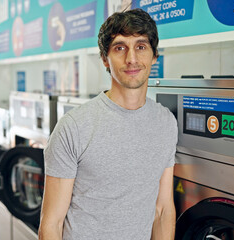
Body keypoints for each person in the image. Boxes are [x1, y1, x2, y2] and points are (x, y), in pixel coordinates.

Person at [39, 8, 178, 240]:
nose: (131, 58)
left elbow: (162, 209)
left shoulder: (166, 123)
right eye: (120, 48)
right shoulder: (74, 127)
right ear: (105, 59)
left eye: (141, 47)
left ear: (154, 56)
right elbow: (51, 224)